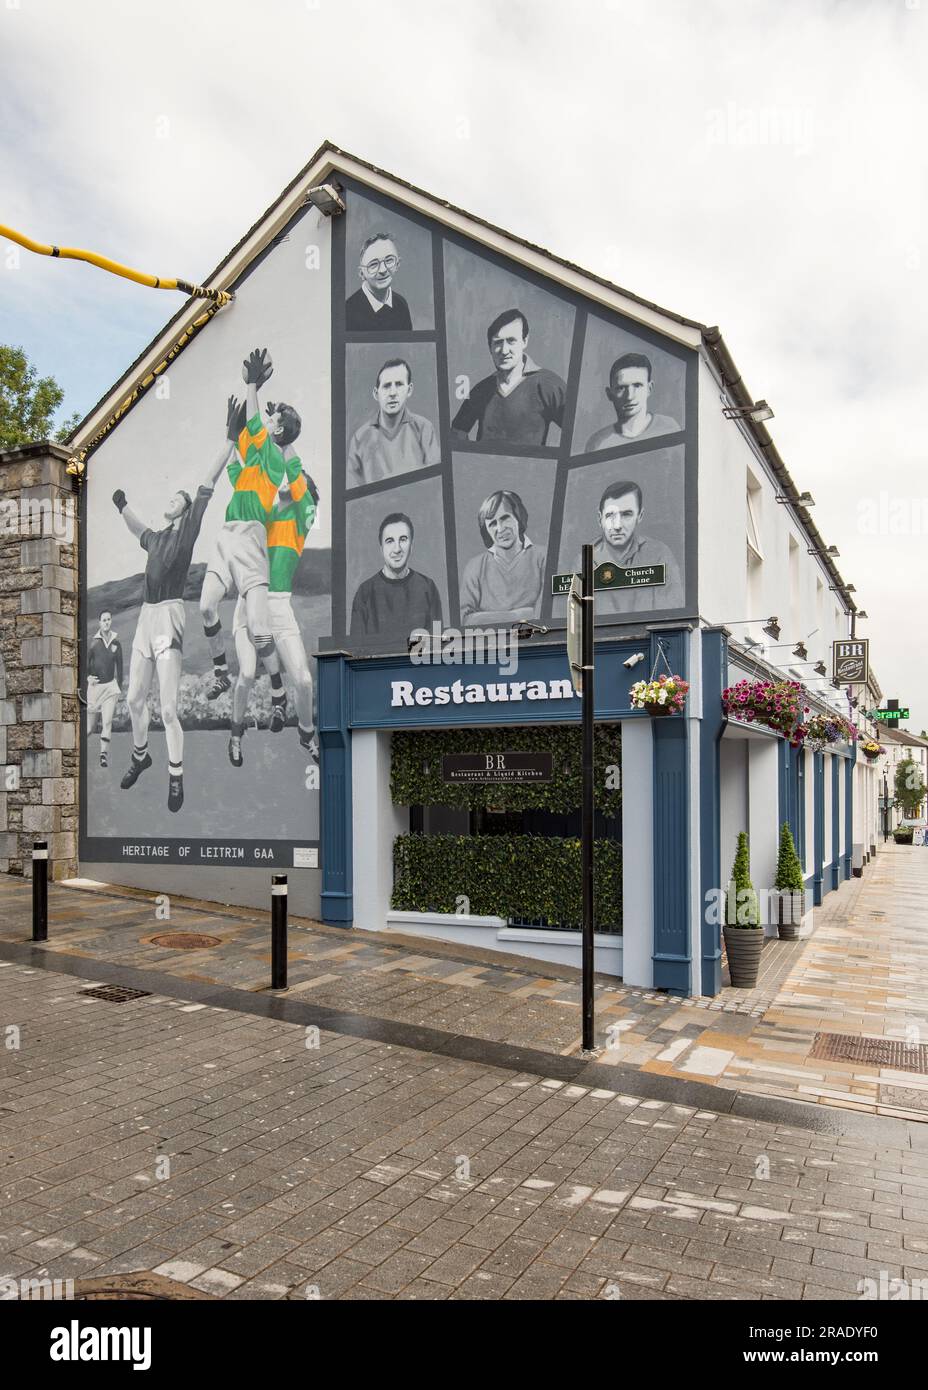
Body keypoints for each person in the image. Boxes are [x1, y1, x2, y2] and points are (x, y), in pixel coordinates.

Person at [112, 409, 235, 812]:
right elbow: (137, 529)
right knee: (133, 699)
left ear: (184, 509)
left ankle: (177, 775)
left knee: (166, 707)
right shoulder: (157, 537)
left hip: (169, 616)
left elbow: (208, 481)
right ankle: (141, 755)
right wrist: (122, 507)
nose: (170, 500)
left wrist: (231, 439)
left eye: (175, 499)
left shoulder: (187, 530)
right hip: (146, 618)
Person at [199, 349, 302, 743]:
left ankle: (278, 691)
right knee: (207, 605)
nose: (270, 417)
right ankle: (222, 672)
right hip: (226, 535)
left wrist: (252, 384)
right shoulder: (256, 460)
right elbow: (237, 465)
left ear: (278, 431)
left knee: (260, 635)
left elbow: (256, 425)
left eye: (277, 418)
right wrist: (232, 433)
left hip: (251, 542)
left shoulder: (275, 456)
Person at [229, 466, 320, 768]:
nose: (288, 478)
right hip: (249, 603)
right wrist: (234, 438)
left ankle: (306, 733)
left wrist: (284, 440)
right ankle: (237, 733)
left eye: (297, 478)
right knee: (244, 674)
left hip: (279, 607)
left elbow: (297, 480)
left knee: (305, 681)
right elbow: (243, 482)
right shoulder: (263, 514)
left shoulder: (302, 517)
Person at [451, 309, 566, 445]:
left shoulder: (548, 384)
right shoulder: (481, 390)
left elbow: (576, 432)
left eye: (511, 341)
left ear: (524, 341)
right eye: (498, 342)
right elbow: (456, 433)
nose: (504, 350)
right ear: (490, 348)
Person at [591, 480, 683, 614]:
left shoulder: (659, 555)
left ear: (640, 516)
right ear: (600, 519)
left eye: (626, 514)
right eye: (610, 515)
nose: (617, 526)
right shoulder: (584, 560)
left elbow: (671, 616)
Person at [347, 359, 440, 488]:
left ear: (409, 389)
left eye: (399, 384)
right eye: (386, 386)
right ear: (376, 393)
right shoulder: (360, 438)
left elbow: (435, 485)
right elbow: (352, 491)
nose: (392, 393)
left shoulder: (424, 429)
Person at [350, 512, 442, 641]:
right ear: (381, 548)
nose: (397, 549)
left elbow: (435, 644)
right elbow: (356, 650)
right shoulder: (365, 592)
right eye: (390, 541)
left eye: (403, 539)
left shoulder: (427, 587)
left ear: (412, 545)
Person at [459, 490, 546, 625]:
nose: (500, 528)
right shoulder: (475, 567)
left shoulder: (543, 557)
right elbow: (465, 621)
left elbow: (545, 615)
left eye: (505, 518)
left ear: (518, 517)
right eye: (492, 524)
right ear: (486, 530)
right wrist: (523, 614)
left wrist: (485, 618)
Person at [585, 353, 681, 450]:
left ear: (649, 388)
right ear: (610, 394)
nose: (630, 396)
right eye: (621, 388)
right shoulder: (598, 443)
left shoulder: (669, 428)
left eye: (637, 386)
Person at [345, 232, 412, 332]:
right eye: (373, 264)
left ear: (398, 264)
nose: (383, 270)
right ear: (361, 274)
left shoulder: (401, 304)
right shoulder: (347, 311)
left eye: (389, 260)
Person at [86, 610, 123, 768]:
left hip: (110, 688)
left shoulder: (116, 643)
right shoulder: (93, 643)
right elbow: (85, 667)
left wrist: (119, 689)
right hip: (95, 689)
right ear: (99, 622)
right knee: (90, 728)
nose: (107, 622)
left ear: (111, 621)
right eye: (104, 620)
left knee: (107, 722)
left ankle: (103, 755)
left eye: (109, 619)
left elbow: (120, 668)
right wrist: (87, 677)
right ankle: (76, 747)